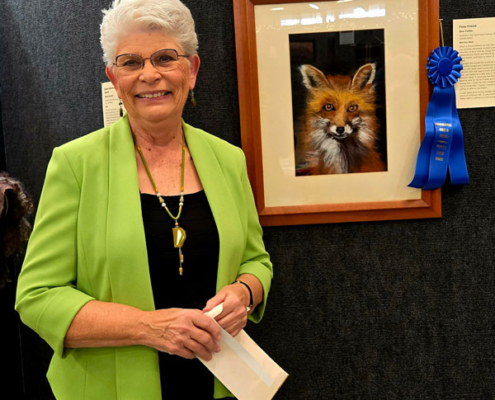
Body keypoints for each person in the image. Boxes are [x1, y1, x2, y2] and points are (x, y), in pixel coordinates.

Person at [15, 0, 273, 399]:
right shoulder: (75, 165)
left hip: (218, 382)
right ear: (114, 77)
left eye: (165, 58)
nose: (149, 74)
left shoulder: (228, 159)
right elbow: (37, 297)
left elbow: (256, 260)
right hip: (113, 389)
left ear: (192, 70)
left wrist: (245, 293)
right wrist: (150, 328)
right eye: (131, 62)